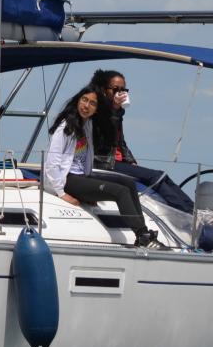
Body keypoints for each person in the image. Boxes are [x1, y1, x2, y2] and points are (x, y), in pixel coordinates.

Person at [43, 86, 162, 248]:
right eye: (84, 100)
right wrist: (61, 193)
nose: (86, 106)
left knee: (128, 183)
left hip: (82, 177)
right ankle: (142, 235)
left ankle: (144, 232)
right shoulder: (65, 127)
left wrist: (90, 191)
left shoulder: (87, 125)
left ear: (96, 109)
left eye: (92, 103)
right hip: (67, 179)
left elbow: (110, 118)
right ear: (78, 101)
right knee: (120, 192)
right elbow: (52, 163)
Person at [89, 69, 194, 214]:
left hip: (118, 162)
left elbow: (120, 142)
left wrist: (130, 160)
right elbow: (104, 136)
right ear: (104, 90)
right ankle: (186, 211)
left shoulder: (116, 112)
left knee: (162, 175)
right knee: (155, 177)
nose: (120, 93)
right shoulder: (97, 111)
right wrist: (114, 109)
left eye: (123, 90)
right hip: (104, 163)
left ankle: (193, 209)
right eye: (116, 89)